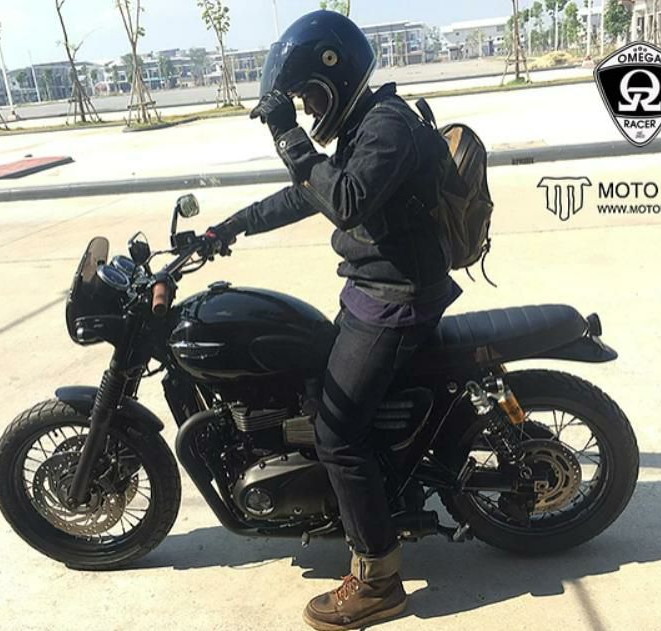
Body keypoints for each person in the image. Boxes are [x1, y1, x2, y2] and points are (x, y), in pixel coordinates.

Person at [205, 10, 461, 630]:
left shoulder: (388, 128)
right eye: (302, 101)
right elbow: (311, 191)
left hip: (398, 297)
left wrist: (288, 135)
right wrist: (231, 226)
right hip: (373, 289)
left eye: (311, 96)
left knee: (338, 432)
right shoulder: (364, 126)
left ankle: (379, 581)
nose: (308, 108)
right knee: (314, 388)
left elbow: (345, 202)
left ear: (337, 76)